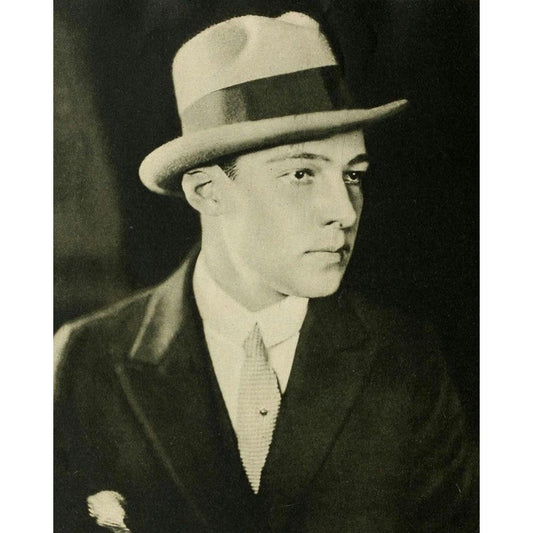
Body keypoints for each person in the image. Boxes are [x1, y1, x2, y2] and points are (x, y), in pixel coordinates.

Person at [54, 12, 477, 532]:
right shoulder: (84, 362)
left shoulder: (406, 363)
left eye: (353, 175)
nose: (344, 212)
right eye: (302, 173)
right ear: (207, 191)